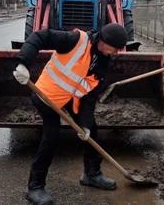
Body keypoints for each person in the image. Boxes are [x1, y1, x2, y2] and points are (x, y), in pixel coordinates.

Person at [12, 23, 128, 205]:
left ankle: (92, 174)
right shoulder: (75, 40)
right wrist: (23, 63)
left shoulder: (103, 62)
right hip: (46, 96)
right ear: (104, 42)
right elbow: (39, 37)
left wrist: (85, 125)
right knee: (51, 136)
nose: (115, 53)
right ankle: (35, 187)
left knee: (93, 133)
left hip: (70, 99)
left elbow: (89, 97)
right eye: (115, 48)